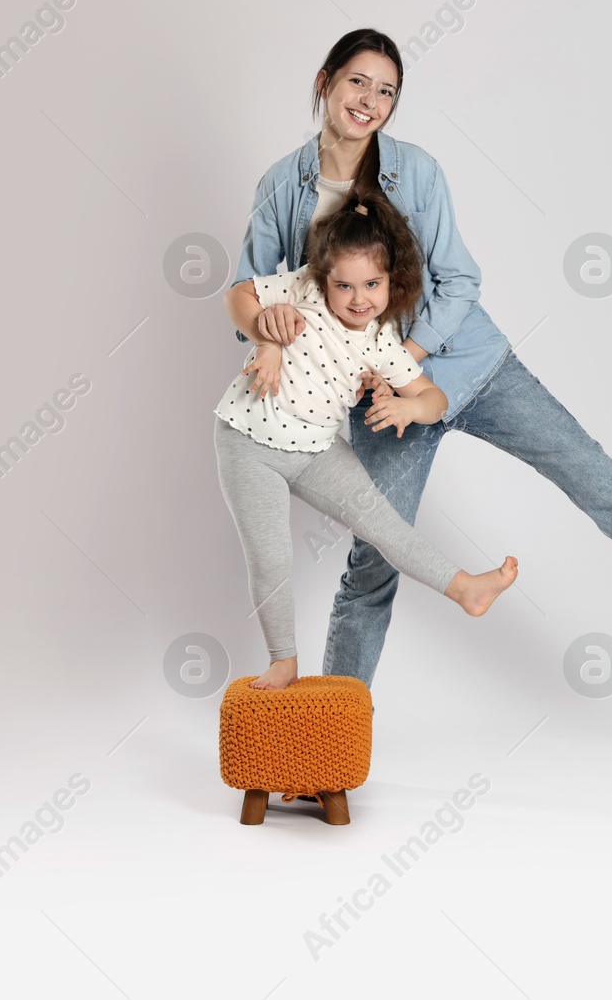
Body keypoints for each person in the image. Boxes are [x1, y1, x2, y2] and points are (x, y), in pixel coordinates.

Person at [230, 28, 612, 688]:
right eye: (357, 81)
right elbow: (246, 291)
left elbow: (460, 281)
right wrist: (270, 336)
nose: (369, 100)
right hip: (381, 407)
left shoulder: (417, 172)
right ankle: (333, 746)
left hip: (471, 367)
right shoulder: (282, 185)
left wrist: (402, 361)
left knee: (593, 472)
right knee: (376, 556)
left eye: (386, 91)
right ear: (325, 81)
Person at [215, 185, 519, 691]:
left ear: (390, 282)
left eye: (372, 285)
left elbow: (434, 399)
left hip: (315, 452)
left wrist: (407, 405)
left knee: (385, 524)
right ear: (323, 281)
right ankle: (283, 660)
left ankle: (465, 588)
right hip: (248, 444)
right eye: (345, 287)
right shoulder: (302, 291)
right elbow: (237, 295)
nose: (359, 300)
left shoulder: (382, 343)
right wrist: (266, 337)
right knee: (271, 558)